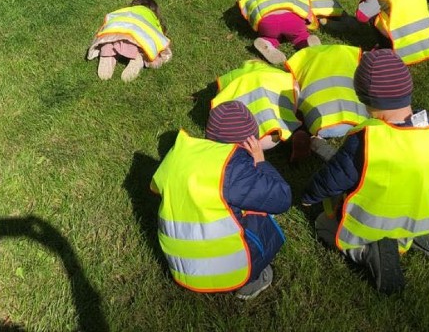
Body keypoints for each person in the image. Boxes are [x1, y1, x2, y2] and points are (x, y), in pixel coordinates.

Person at [301, 49, 429, 294]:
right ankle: (419, 235)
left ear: (364, 99)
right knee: (407, 215)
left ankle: (368, 251)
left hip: (371, 224)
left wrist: (307, 197)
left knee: (323, 223)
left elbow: (333, 179)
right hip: (416, 213)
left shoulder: (368, 139)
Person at [151, 101, 292, 300]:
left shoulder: (179, 154)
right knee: (261, 212)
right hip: (227, 272)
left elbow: (156, 187)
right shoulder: (236, 171)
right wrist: (260, 162)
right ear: (247, 143)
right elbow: (282, 198)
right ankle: (251, 281)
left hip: (180, 266)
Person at [285, 44, 369, 138]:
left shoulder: (300, 60)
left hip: (318, 125)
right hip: (358, 121)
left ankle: (316, 140)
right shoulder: (348, 53)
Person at [212, 60, 301, 147]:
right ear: (266, 66)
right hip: (270, 133)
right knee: (293, 91)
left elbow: (219, 95)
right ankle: (290, 132)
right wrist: (292, 113)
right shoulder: (280, 75)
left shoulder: (232, 76)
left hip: (232, 134)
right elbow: (295, 87)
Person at [237, 0, 324, 64]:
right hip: (292, 19)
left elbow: (248, 10)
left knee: (271, 36)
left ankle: (267, 41)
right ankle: (306, 42)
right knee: (299, 35)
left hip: (267, 21)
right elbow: (305, 3)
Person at [85, 0, 171, 82]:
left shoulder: (125, 12)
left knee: (110, 42)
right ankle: (137, 57)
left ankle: (107, 54)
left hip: (115, 30)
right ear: (154, 10)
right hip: (136, 35)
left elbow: (108, 22)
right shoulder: (153, 18)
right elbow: (158, 36)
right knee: (139, 42)